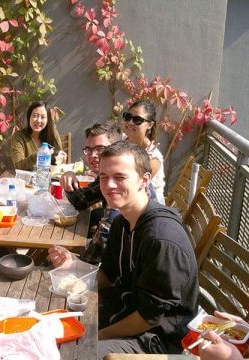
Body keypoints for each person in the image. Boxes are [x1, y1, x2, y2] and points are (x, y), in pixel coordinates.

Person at [93, 141, 198, 358]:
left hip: (157, 340)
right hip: (124, 310)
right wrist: (75, 277)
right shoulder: (123, 222)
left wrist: (97, 335)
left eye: (120, 177)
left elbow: (148, 318)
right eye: (103, 177)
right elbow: (108, 274)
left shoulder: (161, 239)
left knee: (78, 350)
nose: (109, 185)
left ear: (145, 180)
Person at [49, 122, 122, 266]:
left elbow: (105, 236)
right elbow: (81, 201)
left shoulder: (119, 183)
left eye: (100, 149)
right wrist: (69, 180)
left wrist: (75, 263)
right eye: (89, 150)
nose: (93, 155)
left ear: (117, 149)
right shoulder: (105, 177)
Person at [121, 99, 166, 204]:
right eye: (128, 117)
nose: (130, 122)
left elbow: (135, 185)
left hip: (148, 208)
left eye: (137, 120)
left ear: (149, 125)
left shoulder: (154, 158)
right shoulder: (121, 141)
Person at [10, 100, 63, 171]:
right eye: (35, 116)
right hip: (27, 180)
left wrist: (61, 157)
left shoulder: (52, 133)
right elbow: (19, 165)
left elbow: (58, 158)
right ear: (29, 117)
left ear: (48, 120)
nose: (38, 120)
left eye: (43, 117)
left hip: (48, 178)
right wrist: (39, 155)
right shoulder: (19, 137)